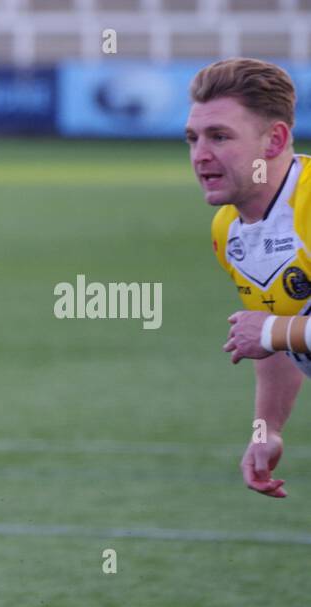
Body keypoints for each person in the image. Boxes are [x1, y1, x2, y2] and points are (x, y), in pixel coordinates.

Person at [192, 59, 310, 494]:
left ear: (274, 140)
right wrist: (268, 429)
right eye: (194, 138)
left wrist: (274, 328)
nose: (200, 155)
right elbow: (278, 339)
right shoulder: (229, 229)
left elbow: (274, 328)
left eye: (220, 136)